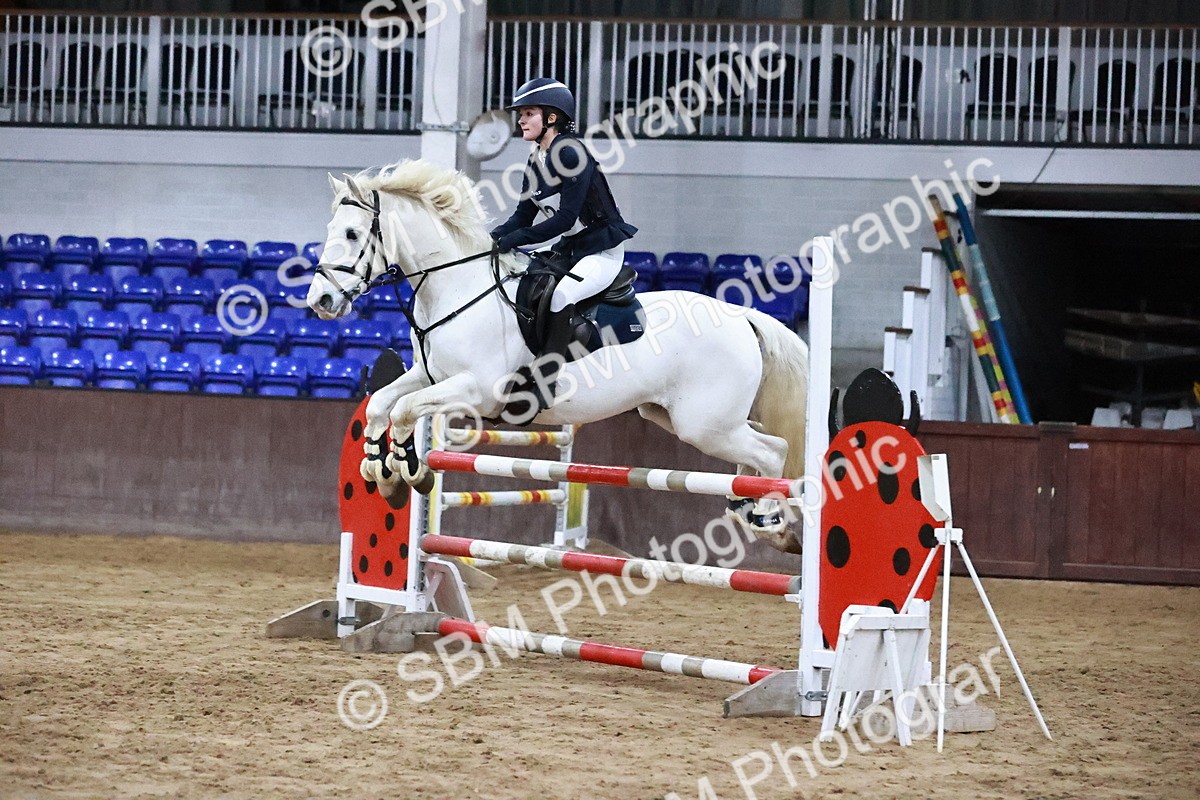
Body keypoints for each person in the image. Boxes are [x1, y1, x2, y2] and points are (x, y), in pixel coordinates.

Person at [490, 77, 637, 415]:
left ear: (551, 118)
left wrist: (517, 240)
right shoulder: (534, 158)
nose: (521, 120)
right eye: (521, 114)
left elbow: (563, 219)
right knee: (526, 285)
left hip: (602, 250)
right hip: (572, 249)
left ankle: (547, 381)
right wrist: (494, 237)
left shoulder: (571, 153)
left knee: (561, 295)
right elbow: (522, 216)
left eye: (528, 113)